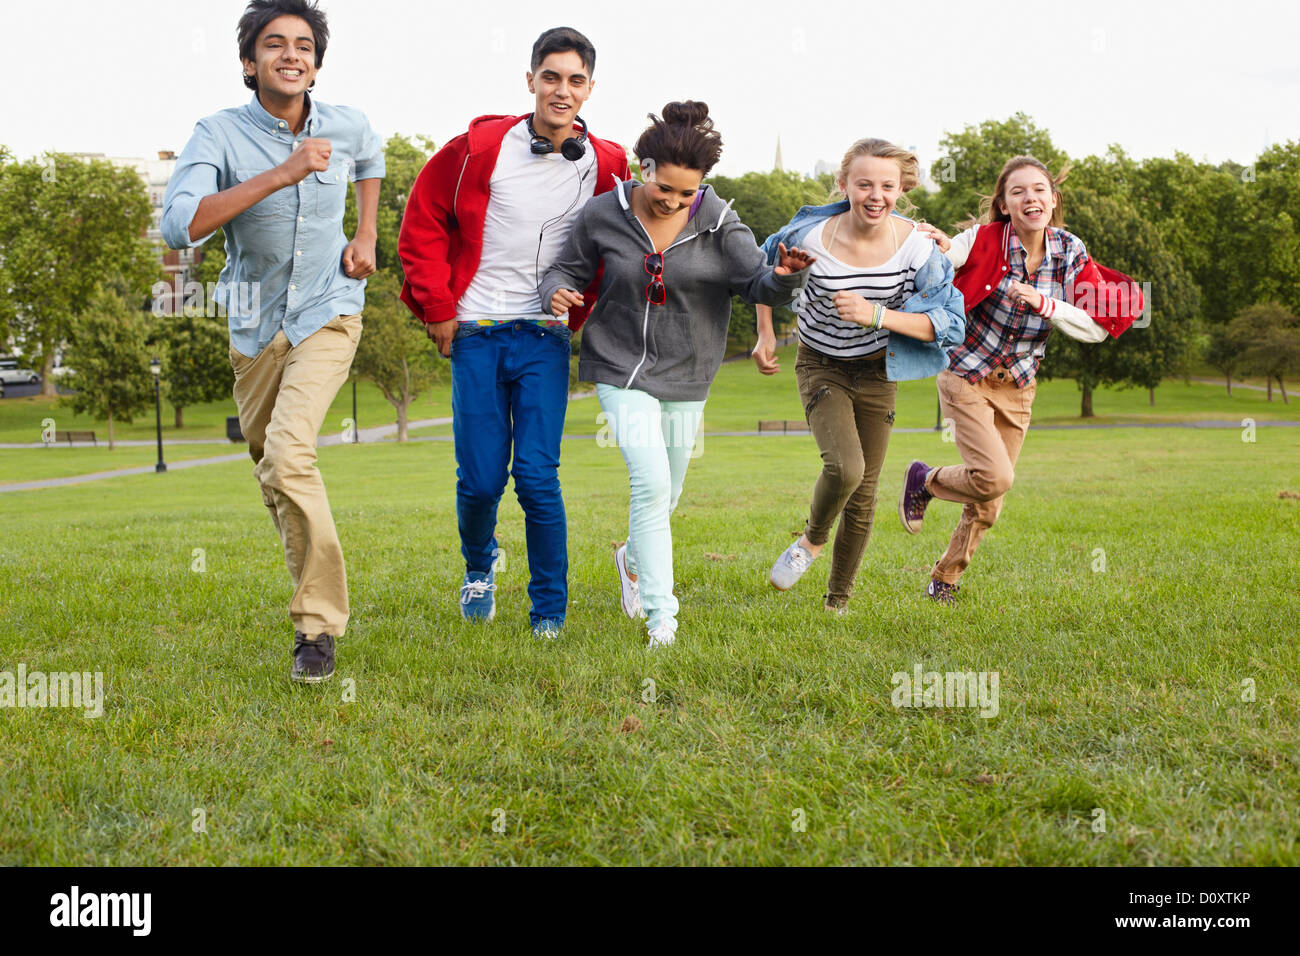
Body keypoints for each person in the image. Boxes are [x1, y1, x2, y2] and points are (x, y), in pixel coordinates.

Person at [161, 0, 384, 683]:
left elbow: (369, 161)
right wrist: (283, 172)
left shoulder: (347, 124)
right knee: (271, 469)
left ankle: (317, 627)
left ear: (316, 61)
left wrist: (367, 234)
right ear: (249, 62)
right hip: (255, 324)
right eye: (275, 43)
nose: (292, 53)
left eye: (304, 45)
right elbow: (181, 226)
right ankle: (312, 603)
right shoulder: (218, 134)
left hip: (329, 310)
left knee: (289, 455)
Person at [540, 102, 815, 648]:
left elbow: (757, 284)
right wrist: (556, 291)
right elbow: (564, 268)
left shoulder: (720, 224)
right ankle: (663, 618)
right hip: (620, 367)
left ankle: (631, 560)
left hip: (689, 374)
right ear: (644, 169)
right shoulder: (603, 214)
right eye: (664, 187)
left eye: (686, 193)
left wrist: (784, 277)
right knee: (649, 484)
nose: (672, 200)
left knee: (670, 491)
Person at [397, 28, 628, 641]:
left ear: (589, 90)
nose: (562, 90)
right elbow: (421, 224)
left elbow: (628, 237)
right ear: (530, 81)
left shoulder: (607, 163)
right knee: (478, 479)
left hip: (544, 336)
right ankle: (480, 566)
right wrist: (438, 309)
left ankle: (549, 608)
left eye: (575, 80)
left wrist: (582, 307)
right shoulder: (475, 148)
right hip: (474, 328)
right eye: (550, 77)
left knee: (536, 475)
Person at [900, 155, 1143, 604]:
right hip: (966, 373)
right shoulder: (985, 239)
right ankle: (927, 480)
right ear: (1005, 204)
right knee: (994, 477)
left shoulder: (1070, 251)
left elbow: (1095, 325)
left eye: (1038, 189)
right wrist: (936, 245)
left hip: (1018, 385)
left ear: (1053, 199)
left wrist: (1045, 304)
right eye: (1018, 192)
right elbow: (953, 255)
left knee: (989, 502)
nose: (1030, 198)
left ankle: (944, 579)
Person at [754, 139, 966, 612]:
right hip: (820, 363)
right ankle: (811, 540)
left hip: (876, 372)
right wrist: (765, 335)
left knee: (865, 492)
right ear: (844, 184)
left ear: (901, 189)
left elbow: (949, 325)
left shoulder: (916, 246)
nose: (876, 194)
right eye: (864, 183)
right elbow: (764, 275)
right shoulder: (810, 235)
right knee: (846, 468)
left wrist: (876, 316)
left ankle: (838, 603)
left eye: (888, 186)